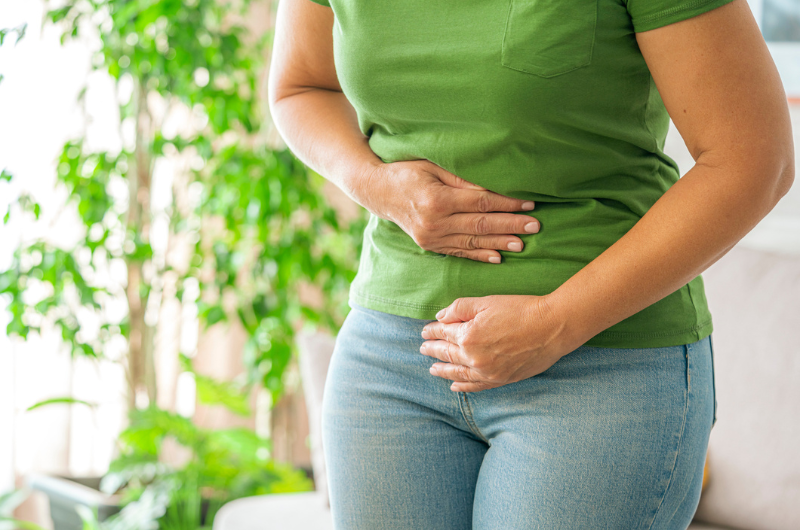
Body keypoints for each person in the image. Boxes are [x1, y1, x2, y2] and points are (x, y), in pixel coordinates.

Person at [267, 0, 795, 527]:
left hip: (603, 367)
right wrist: (376, 185)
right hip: (391, 358)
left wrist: (554, 322)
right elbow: (300, 87)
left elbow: (753, 158)